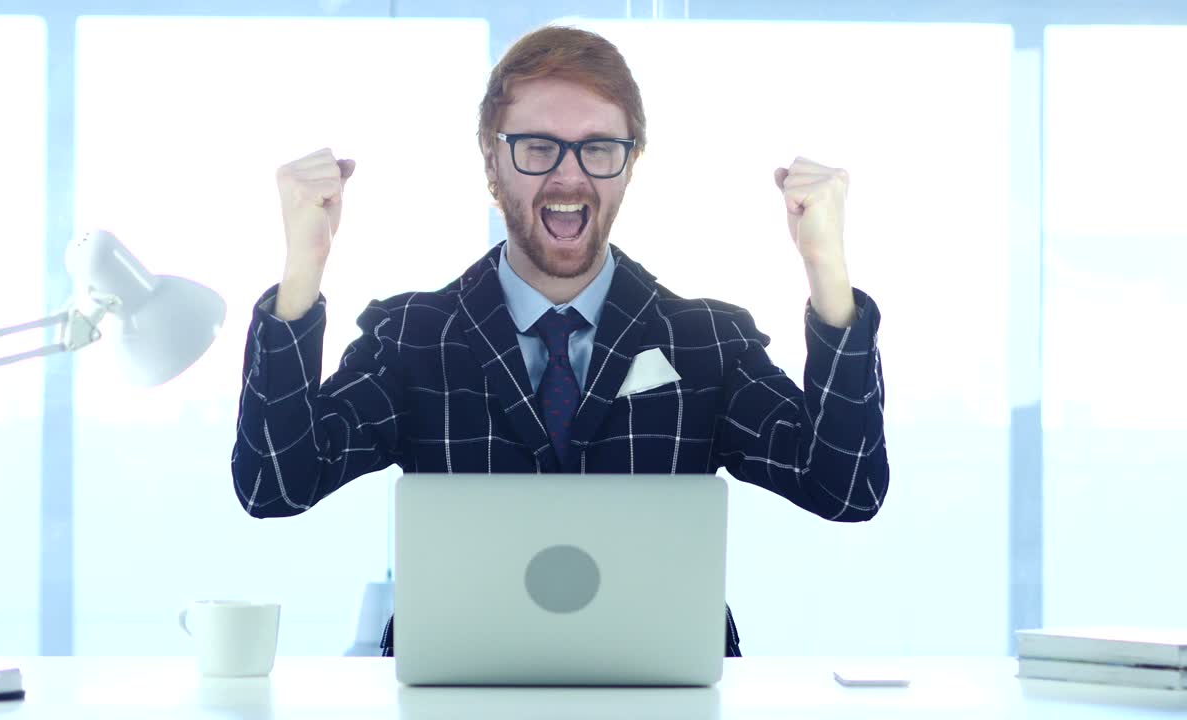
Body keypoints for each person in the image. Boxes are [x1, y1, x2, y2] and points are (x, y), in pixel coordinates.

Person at [232, 25, 888, 658]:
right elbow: (274, 483)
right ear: (493, 163)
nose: (569, 176)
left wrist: (826, 268)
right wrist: (304, 268)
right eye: (538, 147)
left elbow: (846, 486)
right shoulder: (414, 339)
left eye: (598, 148)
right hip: (458, 699)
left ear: (630, 166)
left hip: (660, 701)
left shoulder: (706, 344)